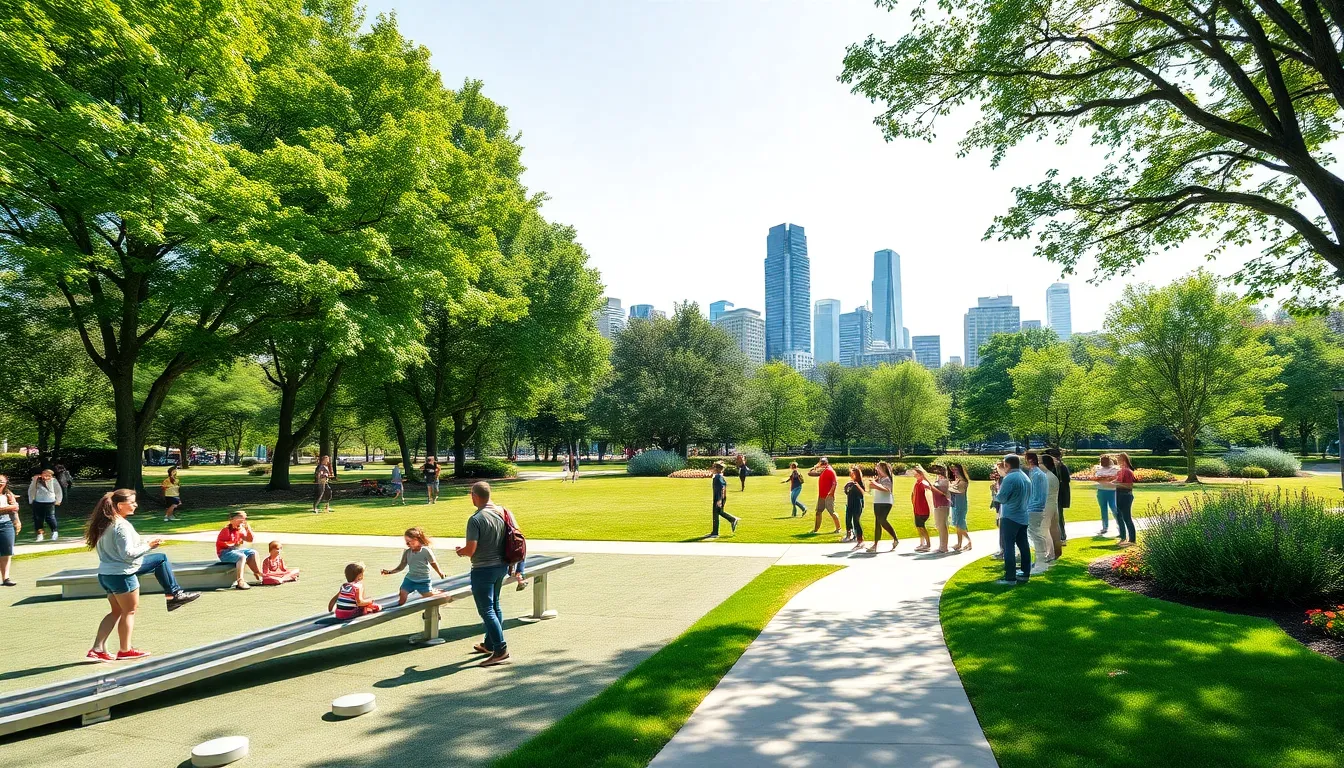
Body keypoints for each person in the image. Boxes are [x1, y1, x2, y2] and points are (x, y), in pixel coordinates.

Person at [86, 489, 200, 662]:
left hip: (106, 574)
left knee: (116, 611)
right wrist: (149, 546)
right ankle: (125, 650)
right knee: (129, 611)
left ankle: (97, 648)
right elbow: (127, 554)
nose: (135, 505)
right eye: (132, 502)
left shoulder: (107, 523)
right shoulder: (121, 526)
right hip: (122, 574)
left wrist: (147, 542)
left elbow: (127, 546)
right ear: (119, 505)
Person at [455, 481, 512, 667]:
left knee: (486, 610)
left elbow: (471, 549)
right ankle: (489, 644)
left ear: (475, 496)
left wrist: (460, 551)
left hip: (483, 569)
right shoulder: (502, 512)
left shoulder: (476, 519)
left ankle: (500, 649)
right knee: (495, 605)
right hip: (501, 566)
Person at [993, 455, 1032, 585]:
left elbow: (1001, 498)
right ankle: (1025, 572)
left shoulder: (1009, 478)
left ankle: (1010, 577)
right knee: (1023, 545)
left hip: (1010, 516)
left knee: (1008, 546)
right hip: (1023, 515)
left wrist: (995, 493)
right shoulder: (1025, 477)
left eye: (1004, 464)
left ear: (1008, 465)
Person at [382, 526, 446, 605]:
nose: (408, 544)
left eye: (410, 542)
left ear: (417, 540)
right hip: (410, 580)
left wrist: (440, 573)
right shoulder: (407, 552)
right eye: (406, 542)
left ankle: (438, 592)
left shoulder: (425, 551)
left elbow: (433, 563)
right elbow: (401, 566)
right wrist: (389, 572)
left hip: (423, 581)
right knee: (402, 597)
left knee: (429, 597)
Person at [215, 511, 264, 590]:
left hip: (234, 551)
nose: (243, 520)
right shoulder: (226, 530)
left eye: (244, 518)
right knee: (242, 556)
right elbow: (220, 543)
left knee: (253, 552)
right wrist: (232, 543)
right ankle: (240, 580)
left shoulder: (239, 530)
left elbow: (249, 539)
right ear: (232, 520)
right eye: (240, 518)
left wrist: (248, 529)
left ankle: (257, 573)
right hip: (224, 553)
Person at [1024, 451, 1051, 574]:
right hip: (1035, 507)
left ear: (1030, 460)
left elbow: (1035, 494)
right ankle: (1039, 560)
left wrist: (1028, 506)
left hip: (1034, 508)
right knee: (1035, 535)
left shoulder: (1036, 474)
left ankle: (1041, 562)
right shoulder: (1036, 473)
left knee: (1036, 535)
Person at [867, 461, 899, 553]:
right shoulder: (879, 479)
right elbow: (871, 489)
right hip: (877, 501)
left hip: (886, 502)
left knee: (882, 520)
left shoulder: (887, 479)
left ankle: (895, 538)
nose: (876, 469)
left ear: (883, 468)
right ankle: (875, 545)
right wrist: (872, 484)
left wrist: (875, 485)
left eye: (878, 467)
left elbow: (887, 489)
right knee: (877, 523)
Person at [28, 468, 63, 542]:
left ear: (51, 476)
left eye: (48, 475)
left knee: (50, 517)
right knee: (38, 519)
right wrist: (31, 499)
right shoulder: (36, 480)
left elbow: (58, 491)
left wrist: (58, 500)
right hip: (38, 501)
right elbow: (31, 489)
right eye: (44, 474)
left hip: (50, 501)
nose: (46, 477)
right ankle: (40, 534)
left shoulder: (53, 481)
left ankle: (54, 532)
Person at [707, 461, 739, 539]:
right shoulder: (718, 476)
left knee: (717, 512)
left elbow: (722, 489)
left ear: (717, 469)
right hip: (719, 497)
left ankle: (732, 520)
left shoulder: (718, 477)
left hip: (718, 497)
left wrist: (719, 500)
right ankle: (715, 531)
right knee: (717, 513)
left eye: (714, 467)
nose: (713, 469)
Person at [1041, 454, 1063, 562]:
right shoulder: (1051, 476)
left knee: (1045, 530)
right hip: (1053, 505)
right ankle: (1055, 552)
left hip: (1047, 505)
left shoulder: (1047, 477)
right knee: (1053, 529)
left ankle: (1050, 553)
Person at [1113, 452, 1138, 547]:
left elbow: (1129, 486)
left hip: (1125, 495)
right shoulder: (1121, 471)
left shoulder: (1127, 471)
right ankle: (1124, 538)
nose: (1117, 462)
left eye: (1119, 460)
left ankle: (1132, 540)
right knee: (1120, 516)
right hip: (1120, 495)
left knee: (1127, 517)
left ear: (1123, 460)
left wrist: (1115, 484)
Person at [811, 457, 842, 535]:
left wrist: (831, 493)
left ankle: (838, 528)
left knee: (832, 512)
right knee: (818, 512)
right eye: (821, 462)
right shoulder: (823, 470)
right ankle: (815, 530)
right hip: (821, 496)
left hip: (828, 496)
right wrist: (816, 466)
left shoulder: (830, 470)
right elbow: (810, 473)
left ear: (827, 463)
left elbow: (835, 483)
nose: (822, 464)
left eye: (823, 463)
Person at [1047, 447, 1071, 543]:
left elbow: (1066, 481)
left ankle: (1062, 536)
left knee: (1059, 516)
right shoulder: (1050, 467)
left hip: (1058, 495)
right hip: (1051, 494)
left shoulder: (1061, 467)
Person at [1093, 454, 1119, 536]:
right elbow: (1097, 478)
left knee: (1114, 508)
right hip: (1101, 490)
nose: (1102, 462)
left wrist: (1104, 478)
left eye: (1104, 461)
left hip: (1112, 491)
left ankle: (1119, 526)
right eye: (1101, 461)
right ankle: (1105, 527)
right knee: (1103, 509)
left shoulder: (1114, 469)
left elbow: (1113, 477)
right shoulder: (1099, 469)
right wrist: (1103, 478)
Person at [948, 463, 971, 552]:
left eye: (956, 470)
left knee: (960, 524)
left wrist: (947, 488)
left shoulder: (963, 481)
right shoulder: (957, 480)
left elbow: (959, 491)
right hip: (955, 504)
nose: (954, 472)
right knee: (957, 524)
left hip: (960, 504)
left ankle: (965, 542)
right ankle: (961, 543)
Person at [0, 475, 19, 586]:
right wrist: (9, 508)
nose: (0, 483)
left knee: (7, 552)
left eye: (1, 481)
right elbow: (12, 507)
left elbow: (15, 509)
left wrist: (17, 521)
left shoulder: (8, 494)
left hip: (6, 523)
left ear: (6, 482)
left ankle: (6, 578)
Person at [929, 465, 951, 554]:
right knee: (939, 525)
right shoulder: (939, 480)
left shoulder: (944, 481)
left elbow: (941, 492)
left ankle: (943, 547)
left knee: (942, 526)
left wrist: (931, 485)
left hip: (943, 504)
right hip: (938, 504)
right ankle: (942, 546)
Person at [911, 465, 933, 552]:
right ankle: (922, 543)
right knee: (919, 526)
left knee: (922, 527)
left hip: (922, 509)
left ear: (920, 474)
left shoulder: (923, 483)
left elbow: (928, 489)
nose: (914, 475)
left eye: (915, 474)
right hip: (917, 508)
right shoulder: (917, 483)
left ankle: (928, 544)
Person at [843, 466, 866, 550]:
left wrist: (857, 486)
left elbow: (863, 493)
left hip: (857, 504)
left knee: (856, 522)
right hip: (850, 504)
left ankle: (860, 540)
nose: (850, 474)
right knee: (848, 519)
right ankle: (849, 535)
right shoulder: (850, 483)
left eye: (852, 473)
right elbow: (847, 492)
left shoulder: (859, 483)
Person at [989, 462, 1005, 560]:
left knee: (1002, 528)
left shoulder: (1005, 479)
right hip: (1000, 507)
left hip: (1004, 508)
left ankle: (1003, 550)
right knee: (1000, 527)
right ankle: (1002, 549)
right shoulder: (1000, 480)